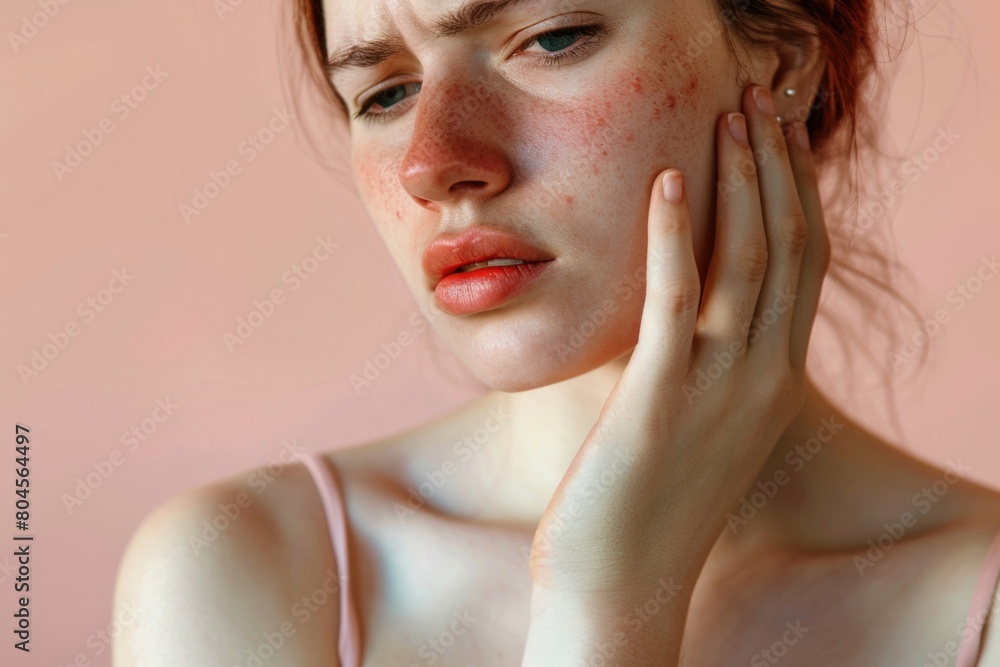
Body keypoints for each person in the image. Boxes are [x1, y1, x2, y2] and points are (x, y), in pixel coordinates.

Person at [112, 0, 1000, 664]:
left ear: (782, 63)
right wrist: (603, 606)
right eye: (384, 94)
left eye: (550, 37)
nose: (435, 162)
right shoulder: (242, 571)